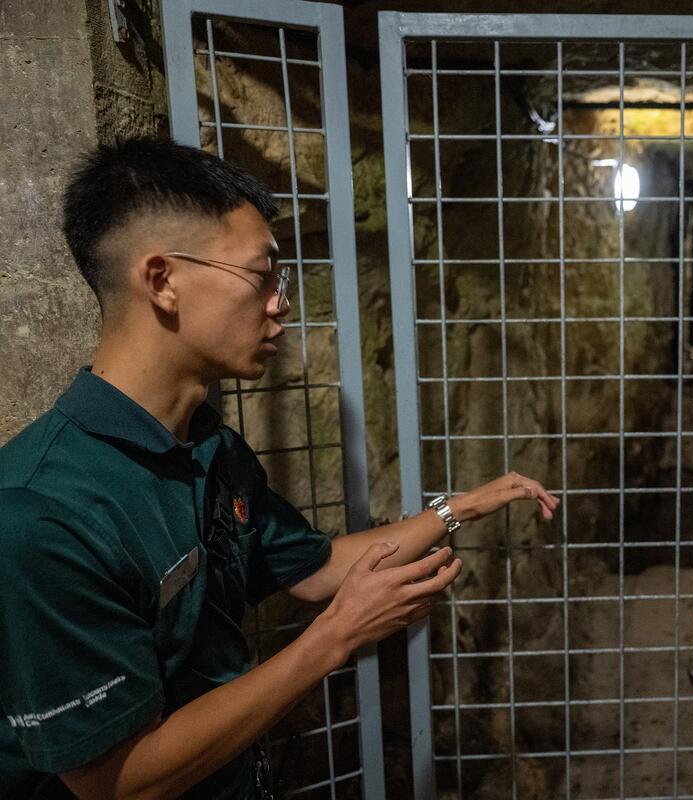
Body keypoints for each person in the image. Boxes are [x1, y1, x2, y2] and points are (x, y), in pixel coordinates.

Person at [0, 138, 558, 800]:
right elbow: (116, 783)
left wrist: (456, 510)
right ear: (162, 281)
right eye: (261, 275)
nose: (280, 303)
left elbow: (318, 569)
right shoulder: (39, 514)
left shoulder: (208, 449)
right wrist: (337, 637)